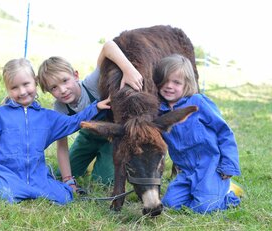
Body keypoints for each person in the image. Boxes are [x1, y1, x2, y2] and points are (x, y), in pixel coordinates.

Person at [0, 58, 110, 205]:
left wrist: (96, 107)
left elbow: (73, 122)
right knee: (2, 194)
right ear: (7, 89)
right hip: (9, 175)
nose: (22, 91)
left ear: (35, 82)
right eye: (14, 87)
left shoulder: (47, 117)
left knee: (65, 198)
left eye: (26, 84)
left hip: (38, 177)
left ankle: (36, 190)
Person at [37, 40, 143, 189]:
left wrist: (128, 70)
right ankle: (84, 161)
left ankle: (121, 161)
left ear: (75, 75)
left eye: (65, 80)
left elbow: (108, 46)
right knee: (62, 173)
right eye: (54, 87)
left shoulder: (92, 84)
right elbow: (61, 145)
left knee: (103, 181)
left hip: (111, 138)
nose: (62, 90)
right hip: (87, 137)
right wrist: (68, 179)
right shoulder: (60, 107)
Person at [157, 54, 243, 214]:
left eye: (176, 82)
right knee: (169, 204)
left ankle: (228, 193)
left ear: (187, 84)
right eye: (165, 81)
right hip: (186, 171)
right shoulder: (159, 112)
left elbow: (225, 133)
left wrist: (229, 165)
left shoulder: (198, 102)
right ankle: (205, 193)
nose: (169, 86)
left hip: (211, 167)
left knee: (203, 208)